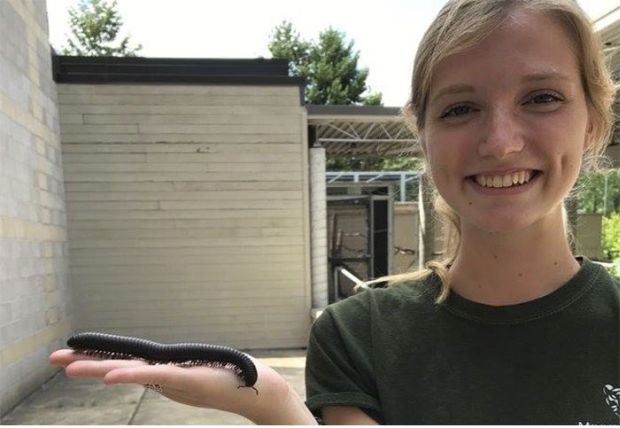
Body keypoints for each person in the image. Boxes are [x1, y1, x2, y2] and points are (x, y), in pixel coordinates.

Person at [50, 0, 619, 424]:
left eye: (542, 97)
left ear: (593, 121)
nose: (500, 142)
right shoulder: (355, 337)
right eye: (461, 108)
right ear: (423, 135)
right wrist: (276, 407)